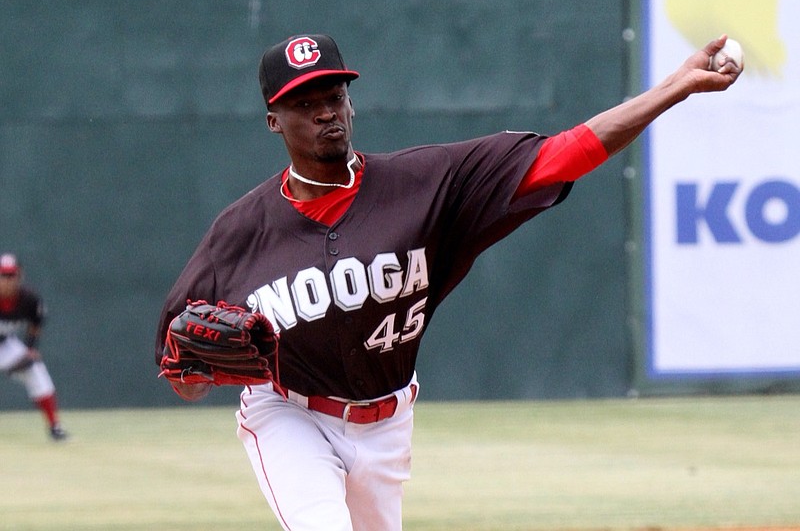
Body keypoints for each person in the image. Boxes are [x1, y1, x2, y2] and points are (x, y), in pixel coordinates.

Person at [156, 33, 741, 530]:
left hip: (387, 421)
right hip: (289, 415)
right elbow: (180, 367)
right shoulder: (239, 231)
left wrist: (674, 88)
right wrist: (196, 376)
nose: (325, 112)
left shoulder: (427, 183)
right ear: (273, 120)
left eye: (334, 96)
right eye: (305, 103)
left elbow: (566, 153)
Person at [0, 253, 68, 441]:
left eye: (11, 275)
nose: (7, 280)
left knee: (36, 370)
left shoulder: (29, 299)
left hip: (5, 344)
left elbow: (36, 323)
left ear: (19, 276)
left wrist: (30, 348)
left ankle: (55, 426)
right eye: (3, 276)